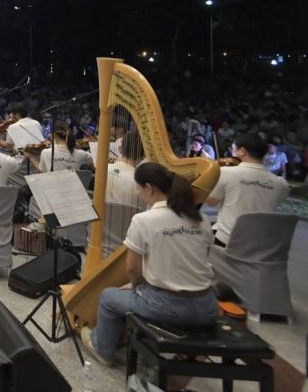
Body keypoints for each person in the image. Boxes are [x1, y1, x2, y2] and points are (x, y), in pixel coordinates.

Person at [81, 162, 218, 367]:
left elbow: (132, 269)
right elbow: (201, 257)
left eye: (138, 188)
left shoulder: (144, 220)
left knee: (108, 296)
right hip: (207, 307)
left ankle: (103, 349)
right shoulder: (202, 219)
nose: (138, 193)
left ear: (149, 188)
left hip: (168, 307)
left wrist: (137, 286)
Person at [206, 134, 290, 246]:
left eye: (233, 149)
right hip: (261, 245)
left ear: (242, 151)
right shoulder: (281, 184)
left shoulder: (226, 172)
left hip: (228, 241)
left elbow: (211, 202)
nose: (231, 153)